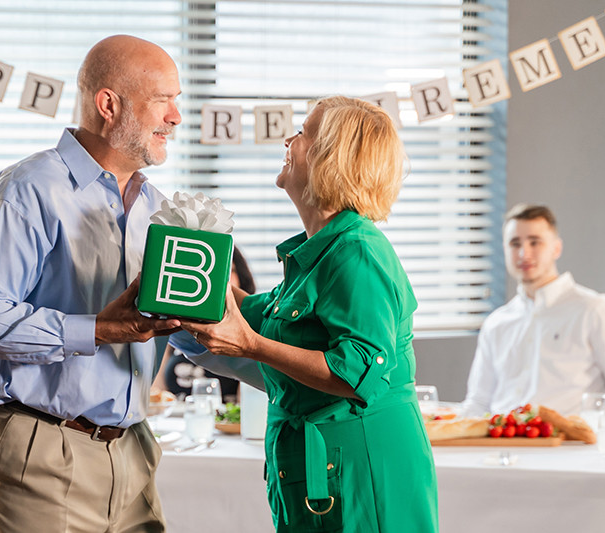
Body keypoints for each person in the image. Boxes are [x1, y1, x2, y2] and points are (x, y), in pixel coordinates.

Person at [0, 35, 182, 533]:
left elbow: (164, 327)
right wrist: (95, 329)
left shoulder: (158, 208)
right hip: (43, 450)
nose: (176, 117)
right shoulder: (27, 191)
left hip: (134, 451)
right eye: (163, 100)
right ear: (108, 105)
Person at [174, 97, 438, 532]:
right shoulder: (317, 252)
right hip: (319, 465)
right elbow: (249, 310)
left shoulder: (356, 250)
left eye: (302, 132)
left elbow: (355, 373)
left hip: (359, 467)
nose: (288, 139)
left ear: (330, 157)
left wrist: (252, 346)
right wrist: (190, 263)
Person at [463, 204, 605, 416]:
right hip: (499, 443)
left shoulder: (595, 310)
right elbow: (478, 403)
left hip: (570, 446)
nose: (524, 253)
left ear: (556, 248)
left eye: (535, 242)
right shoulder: (496, 323)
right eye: (515, 243)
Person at [152, 246, 255, 403]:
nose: (220, 280)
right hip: (178, 421)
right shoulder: (177, 326)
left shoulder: (250, 327)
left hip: (226, 422)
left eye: (229, 271)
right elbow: (158, 393)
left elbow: (251, 400)